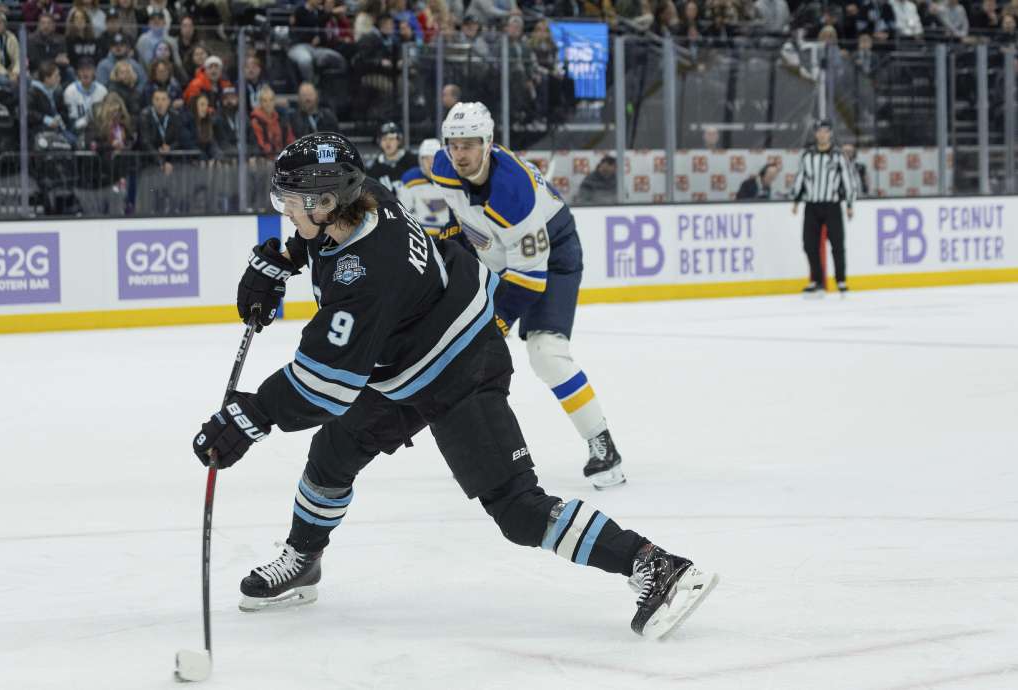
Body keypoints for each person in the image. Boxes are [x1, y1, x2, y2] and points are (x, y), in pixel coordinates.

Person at [191, 132, 718, 639]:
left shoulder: (365, 277)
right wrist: (287, 259)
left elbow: (323, 388)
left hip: (461, 365)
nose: (286, 208)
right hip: (405, 360)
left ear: (327, 201)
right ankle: (304, 561)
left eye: (293, 200)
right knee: (332, 453)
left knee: (516, 508)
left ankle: (657, 565)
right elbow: (326, 249)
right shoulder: (363, 197)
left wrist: (247, 418)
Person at [430, 102, 626, 488]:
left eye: (469, 144)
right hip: (501, 251)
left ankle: (602, 444)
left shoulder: (513, 193)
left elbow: (529, 280)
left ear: (488, 143)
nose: (460, 154)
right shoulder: (442, 167)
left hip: (552, 256)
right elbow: (462, 212)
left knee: (546, 355)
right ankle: (471, 451)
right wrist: (457, 240)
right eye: (454, 144)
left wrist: (496, 323)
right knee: (456, 348)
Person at [791, 119, 856, 296]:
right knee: (809, 244)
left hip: (832, 205)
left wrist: (850, 204)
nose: (822, 134)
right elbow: (800, 178)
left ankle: (841, 281)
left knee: (837, 244)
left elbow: (848, 180)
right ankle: (817, 281)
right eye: (819, 131)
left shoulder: (838, 156)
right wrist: (796, 200)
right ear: (815, 133)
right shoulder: (807, 156)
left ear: (831, 133)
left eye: (825, 131)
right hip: (812, 205)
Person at [397, 138, 450, 234]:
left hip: (449, 233)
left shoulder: (452, 178)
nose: (431, 163)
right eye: (426, 158)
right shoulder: (409, 179)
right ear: (420, 160)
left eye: (434, 158)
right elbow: (402, 212)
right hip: (420, 234)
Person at [366, 122, 418, 192]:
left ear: (399, 141)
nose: (388, 143)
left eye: (391, 139)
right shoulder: (373, 168)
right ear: (379, 142)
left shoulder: (413, 161)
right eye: (384, 139)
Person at [63, 58, 108, 138]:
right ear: (78, 72)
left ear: (94, 71)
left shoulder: (102, 91)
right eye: (82, 70)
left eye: (89, 69)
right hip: (77, 131)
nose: (85, 73)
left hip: (99, 130)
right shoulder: (70, 91)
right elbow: (71, 121)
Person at [249, 85, 286, 157]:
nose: (268, 104)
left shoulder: (281, 119)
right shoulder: (256, 121)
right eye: (265, 100)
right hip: (266, 158)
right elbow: (261, 145)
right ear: (260, 103)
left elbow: (289, 138)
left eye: (271, 100)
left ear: (274, 102)